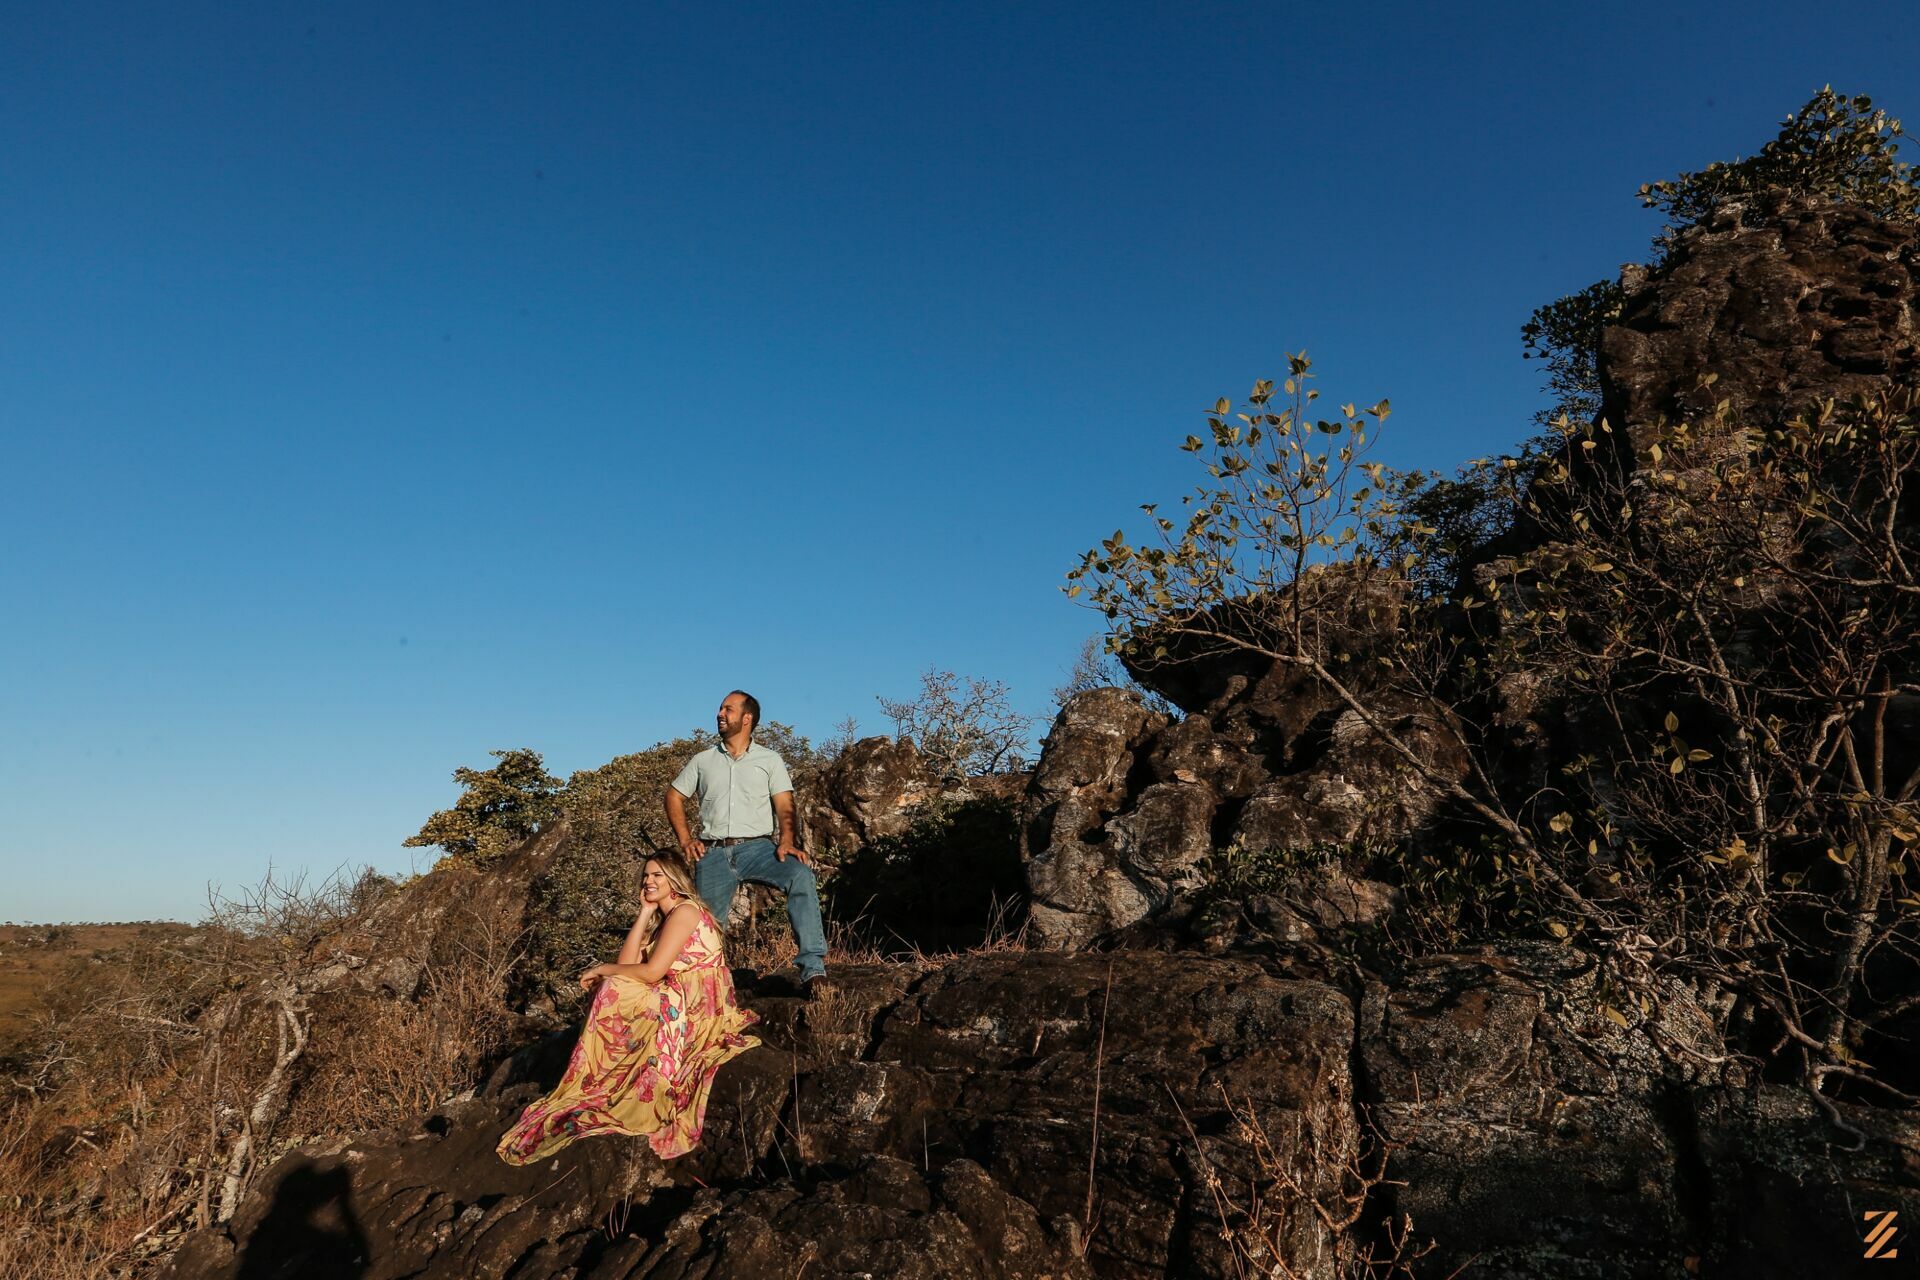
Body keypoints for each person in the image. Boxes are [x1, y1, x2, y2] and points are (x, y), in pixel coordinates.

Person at [496, 852, 759, 1164]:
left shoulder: (686, 911)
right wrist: (645, 912)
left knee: (613, 985)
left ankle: (603, 1074)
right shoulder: (664, 919)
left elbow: (651, 972)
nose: (648, 881)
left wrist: (602, 969)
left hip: (698, 1004)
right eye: (646, 876)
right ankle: (605, 1073)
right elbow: (628, 964)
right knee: (614, 985)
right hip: (676, 994)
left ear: (674, 880)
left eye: (657, 875)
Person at [664, 689, 829, 994]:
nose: (720, 714)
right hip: (712, 853)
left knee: (800, 875)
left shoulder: (770, 760)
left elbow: (784, 803)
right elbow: (674, 796)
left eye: (728, 709)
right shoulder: (702, 760)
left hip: (758, 848)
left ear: (747, 718)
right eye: (720, 709)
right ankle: (705, 991)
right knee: (705, 926)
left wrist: (787, 840)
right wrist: (686, 840)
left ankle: (813, 971)